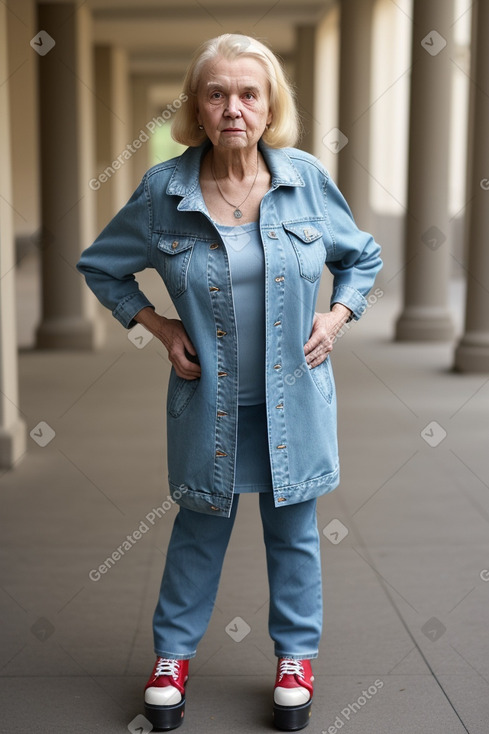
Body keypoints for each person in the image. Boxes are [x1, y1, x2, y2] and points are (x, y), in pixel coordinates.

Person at [77, 33, 382, 732]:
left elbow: (361, 257)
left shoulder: (304, 179)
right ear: (196, 107)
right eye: (216, 93)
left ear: (270, 106)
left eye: (248, 93)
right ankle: (171, 660)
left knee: (293, 531)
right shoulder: (164, 191)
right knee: (197, 532)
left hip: (293, 401)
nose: (233, 108)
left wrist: (335, 318)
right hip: (208, 401)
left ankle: (295, 659)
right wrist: (156, 326)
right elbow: (101, 266)